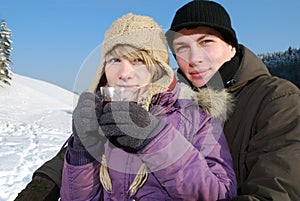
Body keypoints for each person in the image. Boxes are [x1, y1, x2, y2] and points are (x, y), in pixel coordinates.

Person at [59, 13, 237, 200]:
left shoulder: (196, 119)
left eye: (139, 60)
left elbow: (221, 194)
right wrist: (82, 152)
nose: (125, 73)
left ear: (159, 69)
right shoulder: (97, 119)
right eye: (115, 60)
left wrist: (155, 139)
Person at [165, 1, 300, 200]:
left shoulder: (277, 99)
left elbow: (277, 193)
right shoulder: (173, 107)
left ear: (231, 47)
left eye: (206, 42)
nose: (194, 58)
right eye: (182, 47)